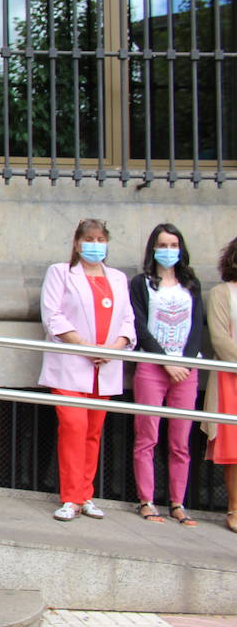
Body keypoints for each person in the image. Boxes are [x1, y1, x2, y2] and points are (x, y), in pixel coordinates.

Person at [38, 218, 135, 521]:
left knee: (93, 431)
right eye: (89, 239)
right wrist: (84, 346)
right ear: (78, 243)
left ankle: (85, 494)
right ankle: (70, 497)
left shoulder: (118, 278)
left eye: (100, 239)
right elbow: (52, 316)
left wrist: (114, 347)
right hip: (72, 364)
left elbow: (128, 321)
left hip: (104, 368)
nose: (95, 245)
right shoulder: (61, 273)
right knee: (73, 427)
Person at [128, 224, 204, 526]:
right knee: (146, 436)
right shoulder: (141, 283)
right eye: (163, 244)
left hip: (186, 369)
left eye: (174, 245)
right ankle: (146, 500)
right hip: (152, 367)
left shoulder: (191, 284)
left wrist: (183, 363)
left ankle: (178, 502)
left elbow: (198, 327)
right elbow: (140, 325)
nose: (169, 250)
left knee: (180, 441)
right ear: (153, 248)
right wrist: (165, 361)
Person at [203, 236, 237, 534]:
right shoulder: (221, 293)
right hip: (231, 377)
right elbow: (220, 339)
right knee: (234, 446)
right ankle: (235, 508)